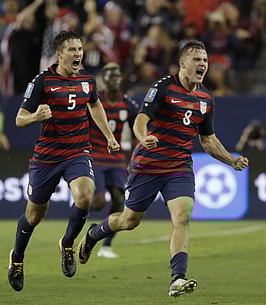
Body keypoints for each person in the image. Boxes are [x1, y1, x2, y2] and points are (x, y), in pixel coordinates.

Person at [77, 41, 250, 297]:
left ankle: (177, 278)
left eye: (204, 59)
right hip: (148, 165)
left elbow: (208, 139)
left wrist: (230, 160)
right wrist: (143, 136)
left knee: (182, 216)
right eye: (196, 59)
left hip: (179, 166)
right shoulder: (163, 88)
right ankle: (93, 234)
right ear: (182, 63)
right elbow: (140, 120)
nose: (202, 64)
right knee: (129, 221)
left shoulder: (205, 99)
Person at [7, 30, 120, 292]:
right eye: (72, 49)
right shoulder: (42, 82)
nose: (78, 53)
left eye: (80, 48)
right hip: (47, 156)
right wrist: (36, 116)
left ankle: (67, 244)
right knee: (34, 216)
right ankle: (17, 259)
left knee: (85, 197)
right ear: (59, 54)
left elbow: (94, 105)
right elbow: (19, 118)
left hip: (77, 152)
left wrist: (109, 136)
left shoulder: (88, 81)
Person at [89, 62, 140, 258]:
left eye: (118, 77)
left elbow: (138, 129)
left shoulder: (127, 104)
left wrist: (134, 156)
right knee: (98, 204)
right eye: (111, 77)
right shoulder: (94, 101)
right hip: (95, 157)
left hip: (116, 159)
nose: (115, 81)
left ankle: (106, 245)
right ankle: (80, 205)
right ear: (104, 80)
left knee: (120, 202)